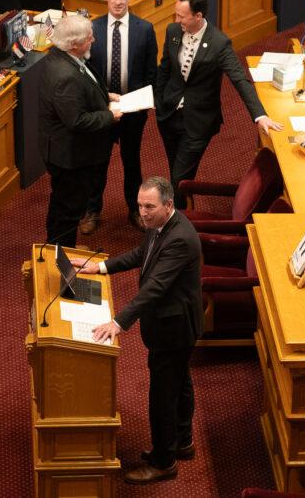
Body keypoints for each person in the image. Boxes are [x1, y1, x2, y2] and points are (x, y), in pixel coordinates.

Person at [75, 176, 203, 485]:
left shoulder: (180, 239)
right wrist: (101, 266)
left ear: (168, 205)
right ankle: (182, 442)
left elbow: (155, 289)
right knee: (180, 383)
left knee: (163, 393)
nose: (143, 213)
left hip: (173, 327)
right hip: (174, 323)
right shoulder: (160, 225)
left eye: (149, 207)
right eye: (139, 206)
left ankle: (163, 461)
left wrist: (118, 323)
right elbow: (141, 255)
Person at [154, 0, 281, 209]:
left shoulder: (219, 44)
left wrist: (259, 115)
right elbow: (165, 67)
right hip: (169, 115)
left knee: (177, 179)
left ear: (198, 16)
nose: (176, 20)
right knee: (177, 171)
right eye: (176, 15)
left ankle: (178, 219)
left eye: (181, 16)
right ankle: (185, 210)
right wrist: (158, 100)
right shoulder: (173, 31)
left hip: (199, 121)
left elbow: (240, 79)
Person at [82, 0, 158, 234]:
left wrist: (142, 103)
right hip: (102, 109)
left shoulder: (145, 30)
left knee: (132, 161)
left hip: (132, 111)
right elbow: (87, 72)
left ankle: (135, 210)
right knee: (97, 162)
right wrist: (103, 99)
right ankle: (92, 210)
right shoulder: (92, 28)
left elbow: (151, 73)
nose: (117, 2)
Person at [38, 14, 122, 249]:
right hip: (70, 159)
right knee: (68, 211)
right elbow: (76, 120)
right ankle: (62, 257)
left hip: (66, 152)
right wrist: (110, 115)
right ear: (74, 44)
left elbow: (85, 90)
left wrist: (106, 97)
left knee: (61, 205)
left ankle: (60, 248)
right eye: (89, 37)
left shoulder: (61, 57)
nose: (93, 40)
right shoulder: (65, 76)